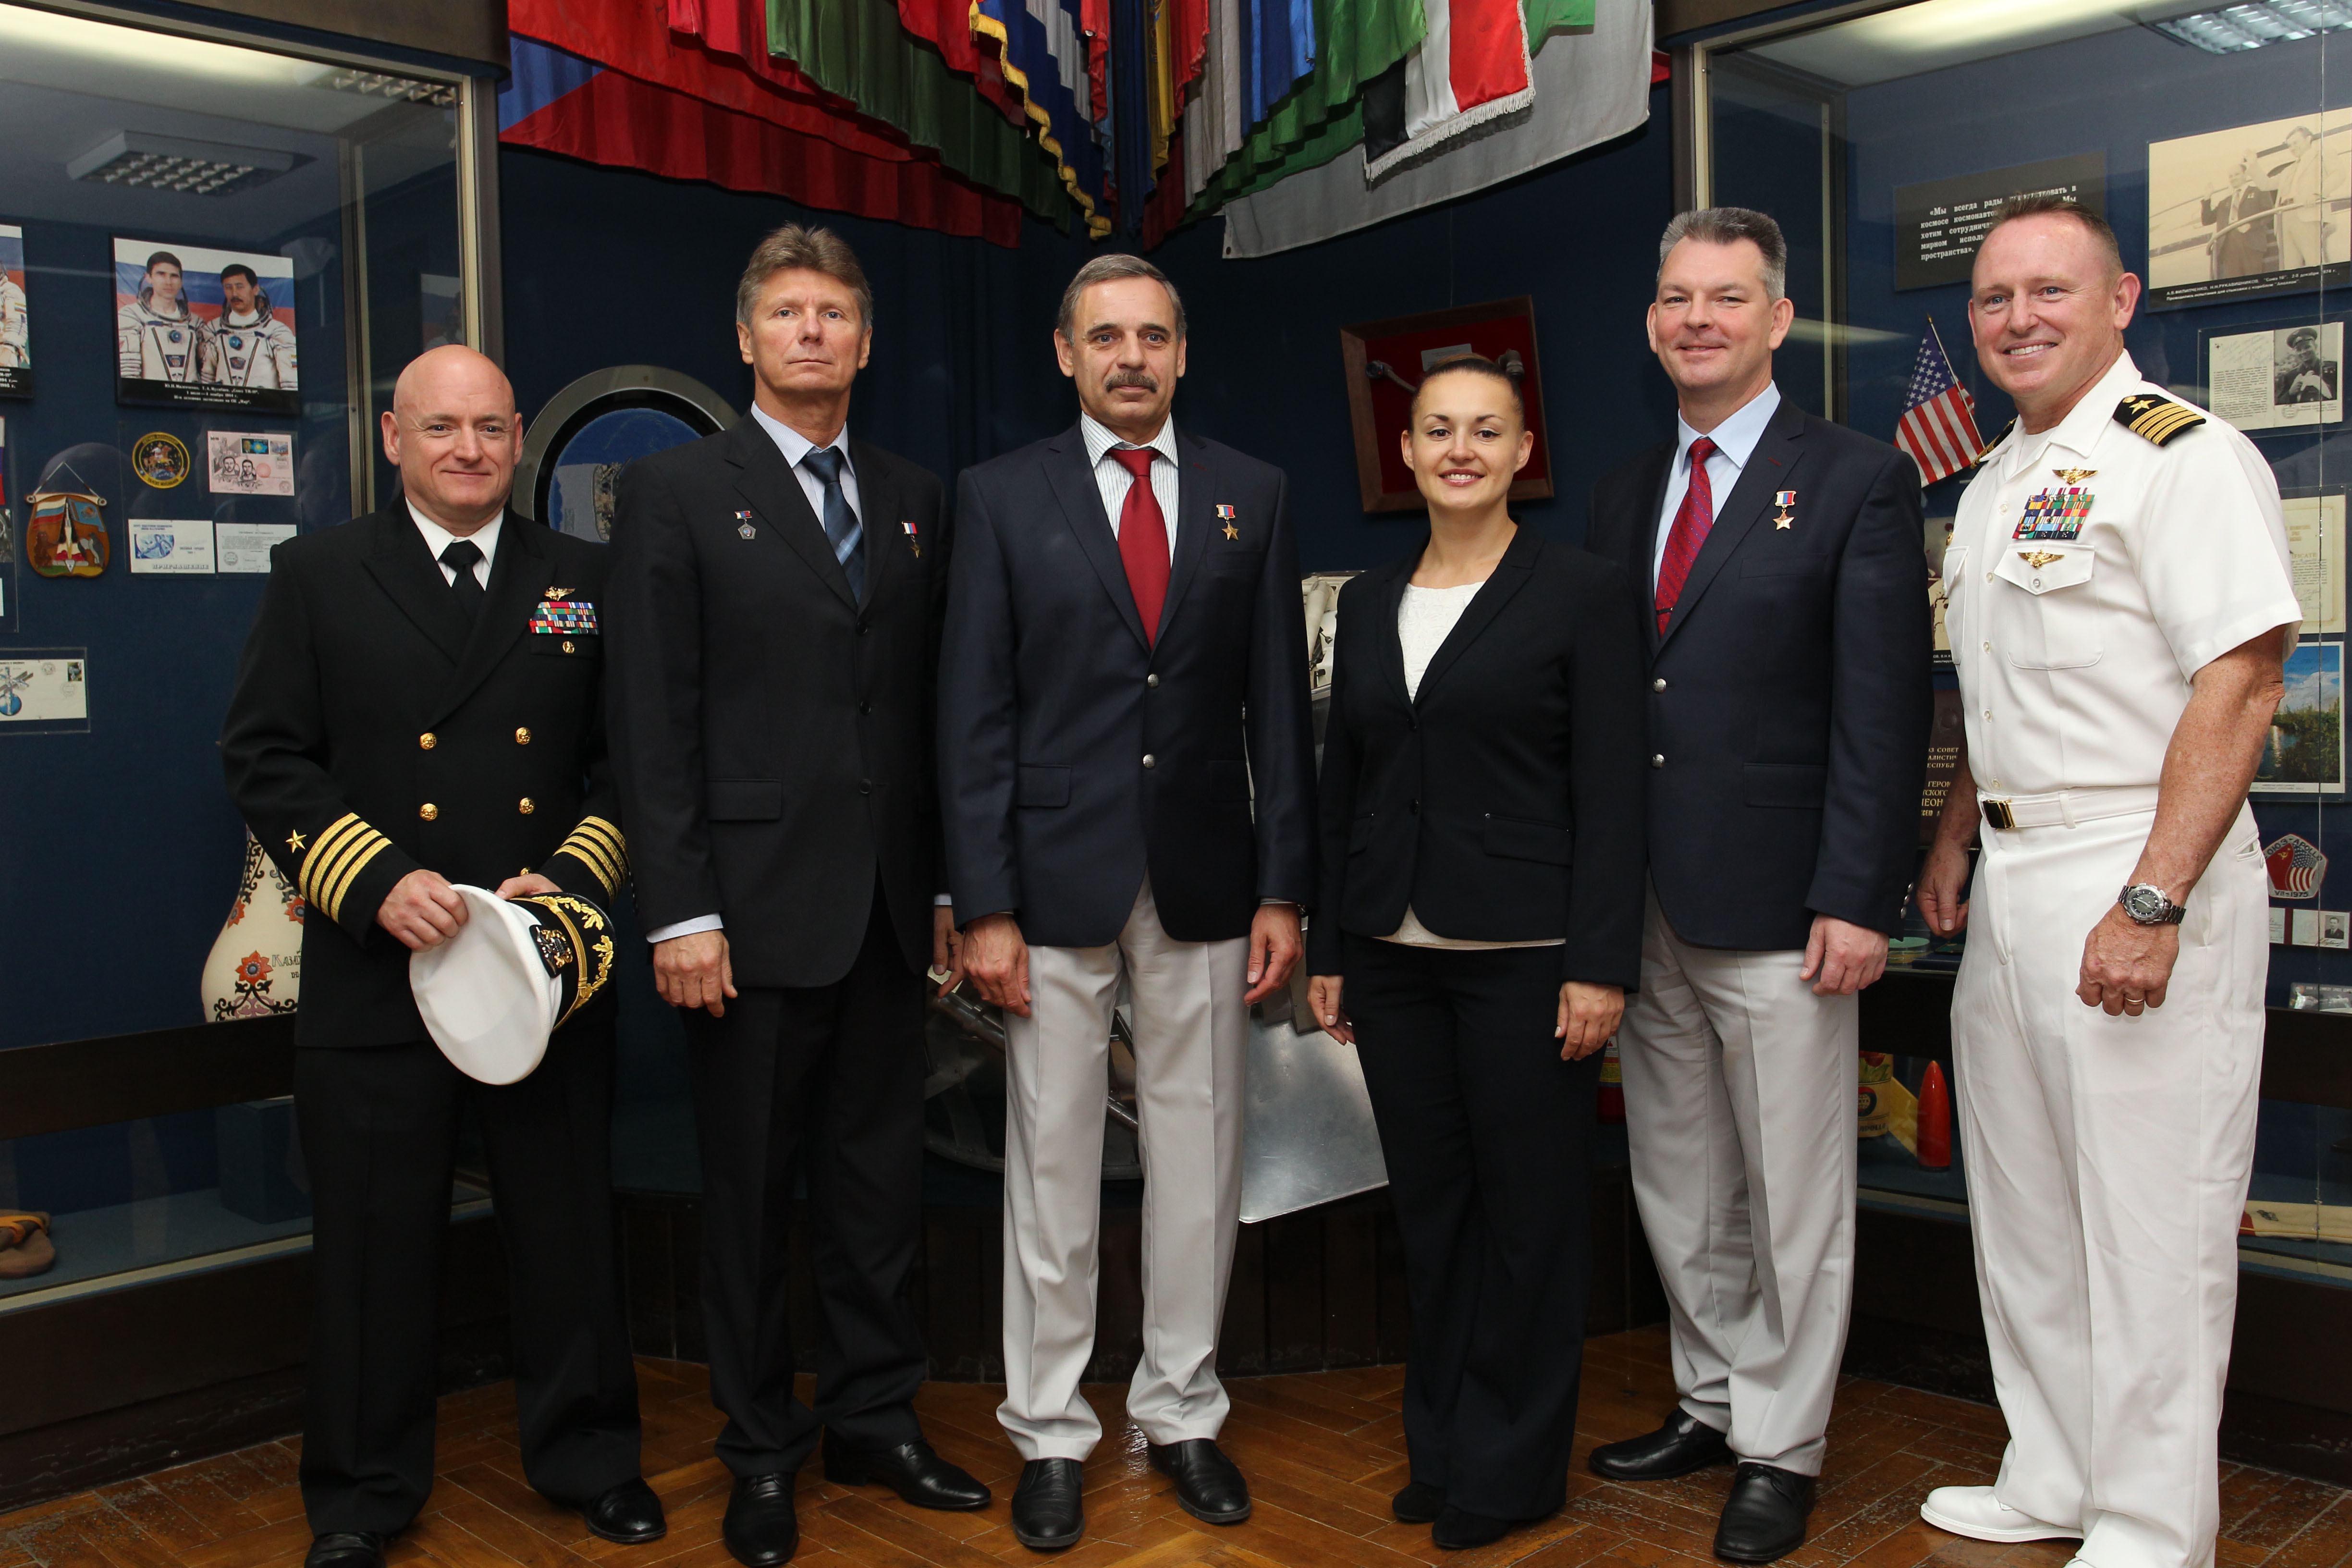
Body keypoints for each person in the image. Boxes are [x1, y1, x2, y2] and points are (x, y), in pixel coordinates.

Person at [220, 345, 657, 1568]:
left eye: (489, 428)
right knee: (373, 1246)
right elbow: (264, 756)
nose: (468, 450)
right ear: (392, 438)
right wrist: (372, 880)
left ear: (517, 437)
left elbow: (628, 767)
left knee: (567, 1229)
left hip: (534, 967)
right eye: (441, 428)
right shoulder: (318, 574)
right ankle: (360, 1496)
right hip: (380, 964)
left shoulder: (585, 576)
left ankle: (592, 1457)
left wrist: (569, 881)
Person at [1915, 195, 2297, 1568]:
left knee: (2149, 1219)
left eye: (2049, 291)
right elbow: (2004, 692)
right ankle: (2056, 1475)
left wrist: (2152, 902)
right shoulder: (1992, 481)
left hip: (2138, 866)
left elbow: (2240, 680)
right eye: (1992, 297)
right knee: (2026, 1212)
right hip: (2016, 871)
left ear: (2121, 300)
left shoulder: (2180, 459)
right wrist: (1955, 833)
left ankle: (2148, 1524)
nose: (2017, 318)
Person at [604, 225, 985, 1568]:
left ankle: (876, 1419)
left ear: (866, 343)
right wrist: (679, 910)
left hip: (885, 913)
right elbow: (651, 718)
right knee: (752, 1201)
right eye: (786, 312)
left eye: (833, 313)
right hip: (744, 919)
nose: (811, 331)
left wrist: (943, 884)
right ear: (746, 338)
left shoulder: (916, 496)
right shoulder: (672, 492)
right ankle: (762, 1448)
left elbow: (930, 709)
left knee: (880, 1187)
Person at [940, 253, 1317, 1554]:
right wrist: (982, 901)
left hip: (1208, 877)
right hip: (1048, 885)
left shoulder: (1251, 493)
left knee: (1199, 1159)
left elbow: (1279, 709)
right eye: (1106, 337)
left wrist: (1285, 887)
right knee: (1050, 1163)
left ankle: (1181, 1410)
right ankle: (1049, 1429)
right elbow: (972, 714)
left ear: (1183, 353)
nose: (1131, 358)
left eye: (1153, 336)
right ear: (1066, 353)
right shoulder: (999, 497)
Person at [1582, 206, 1931, 1563]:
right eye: (1677, 298)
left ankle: (1783, 1447)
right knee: (1681, 1179)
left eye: (1727, 298)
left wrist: (1858, 894)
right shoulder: (1623, 492)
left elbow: (1884, 711)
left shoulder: (1855, 479)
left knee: (1794, 1194)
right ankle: (1713, 1399)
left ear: (1778, 319)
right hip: (1649, 906)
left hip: (1789, 907)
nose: (1699, 320)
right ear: (1650, 321)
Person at [1303, 356, 1645, 1552]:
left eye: (1485, 431)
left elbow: (1614, 792)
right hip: (1390, 955)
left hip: (1527, 957)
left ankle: (1512, 1469)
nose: (1460, 450)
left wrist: (1600, 963)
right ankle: (1444, 1444)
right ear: (1405, 452)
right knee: (1435, 1213)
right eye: (1438, 430)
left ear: (1520, 453)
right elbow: (1344, 782)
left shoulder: (1582, 591)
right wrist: (1333, 942)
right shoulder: (1367, 600)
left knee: (1528, 1220)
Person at [203, 261, 299, 389]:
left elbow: (291, 386)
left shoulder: (277, 332)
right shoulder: (214, 330)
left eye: (240, 287)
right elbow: (206, 380)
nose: (234, 293)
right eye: (228, 287)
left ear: (255, 290)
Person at [117, 249, 204, 382]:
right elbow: (128, 374)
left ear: (181, 282)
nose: (168, 282)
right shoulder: (132, 316)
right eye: (161, 274)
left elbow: (207, 371)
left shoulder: (195, 323)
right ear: (149, 278)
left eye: (174, 276)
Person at [2199, 156, 2279, 281]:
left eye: (2236, 174)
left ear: (2245, 175)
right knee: (2236, 284)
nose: (2233, 178)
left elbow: (2269, 213)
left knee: (2254, 281)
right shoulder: (2224, 202)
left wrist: (2251, 225)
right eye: (2230, 176)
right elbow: (2207, 220)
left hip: (2252, 244)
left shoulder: (2259, 192)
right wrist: (2207, 198)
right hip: (2229, 247)